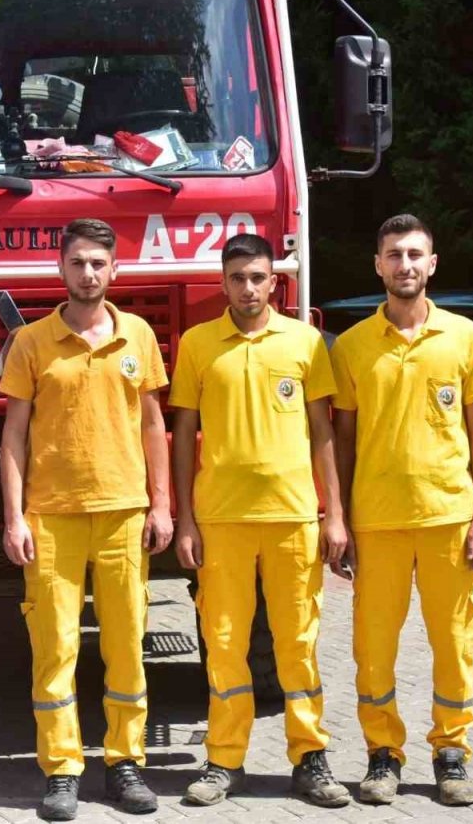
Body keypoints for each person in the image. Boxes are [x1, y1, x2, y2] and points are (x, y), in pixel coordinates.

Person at [0, 218, 173, 821]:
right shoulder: (32, 342)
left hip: (125, 512)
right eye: (79, 263)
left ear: (115, 270)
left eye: (99, 263)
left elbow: (154, 424)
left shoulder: (140, 336)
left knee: (127, 646)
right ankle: (62, 769)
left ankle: (126, 763)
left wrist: (163, 504)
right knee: (56, 648)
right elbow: (13, 435)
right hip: (51, 517)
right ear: (62, 270)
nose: (89, 273)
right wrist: (15, 518)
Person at [170, 234, 351, 808]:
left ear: (275, 282)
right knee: (224, 643)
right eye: (237, 278)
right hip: (220, 519)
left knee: (298, 642)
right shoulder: (198, 345)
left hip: (294, 517)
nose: (248, 288)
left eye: (257, 278)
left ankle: (311, 758)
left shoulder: (305, 343)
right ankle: (224, 760)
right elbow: (181, 438)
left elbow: (323, 433)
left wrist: (334, 514)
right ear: (222, 283)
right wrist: (184, 519)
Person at [330, 214, 473, 807]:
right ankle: (383, 755)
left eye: (415, 254)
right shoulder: (351, 347)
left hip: (448, 520)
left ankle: (451, 753)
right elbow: (342, 440)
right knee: (373, 648)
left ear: (432, 263)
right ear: (377, 265)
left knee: (454, 641)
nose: (405, 264)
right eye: (394, 255)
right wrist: (341, 520)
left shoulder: (465, 337)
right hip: (375, 523)